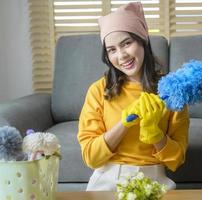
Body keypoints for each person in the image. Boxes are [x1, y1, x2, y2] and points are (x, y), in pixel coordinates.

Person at [77, 2, 189, 191]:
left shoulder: (171, 90)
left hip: (154, 182)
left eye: (126, 43)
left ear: (142, 41)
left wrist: (154, 133)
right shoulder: (98, 91)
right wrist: (124, 123)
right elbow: (91, 157)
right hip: (108, 181)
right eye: (112, 50)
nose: (121, 56)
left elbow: (176, 160)